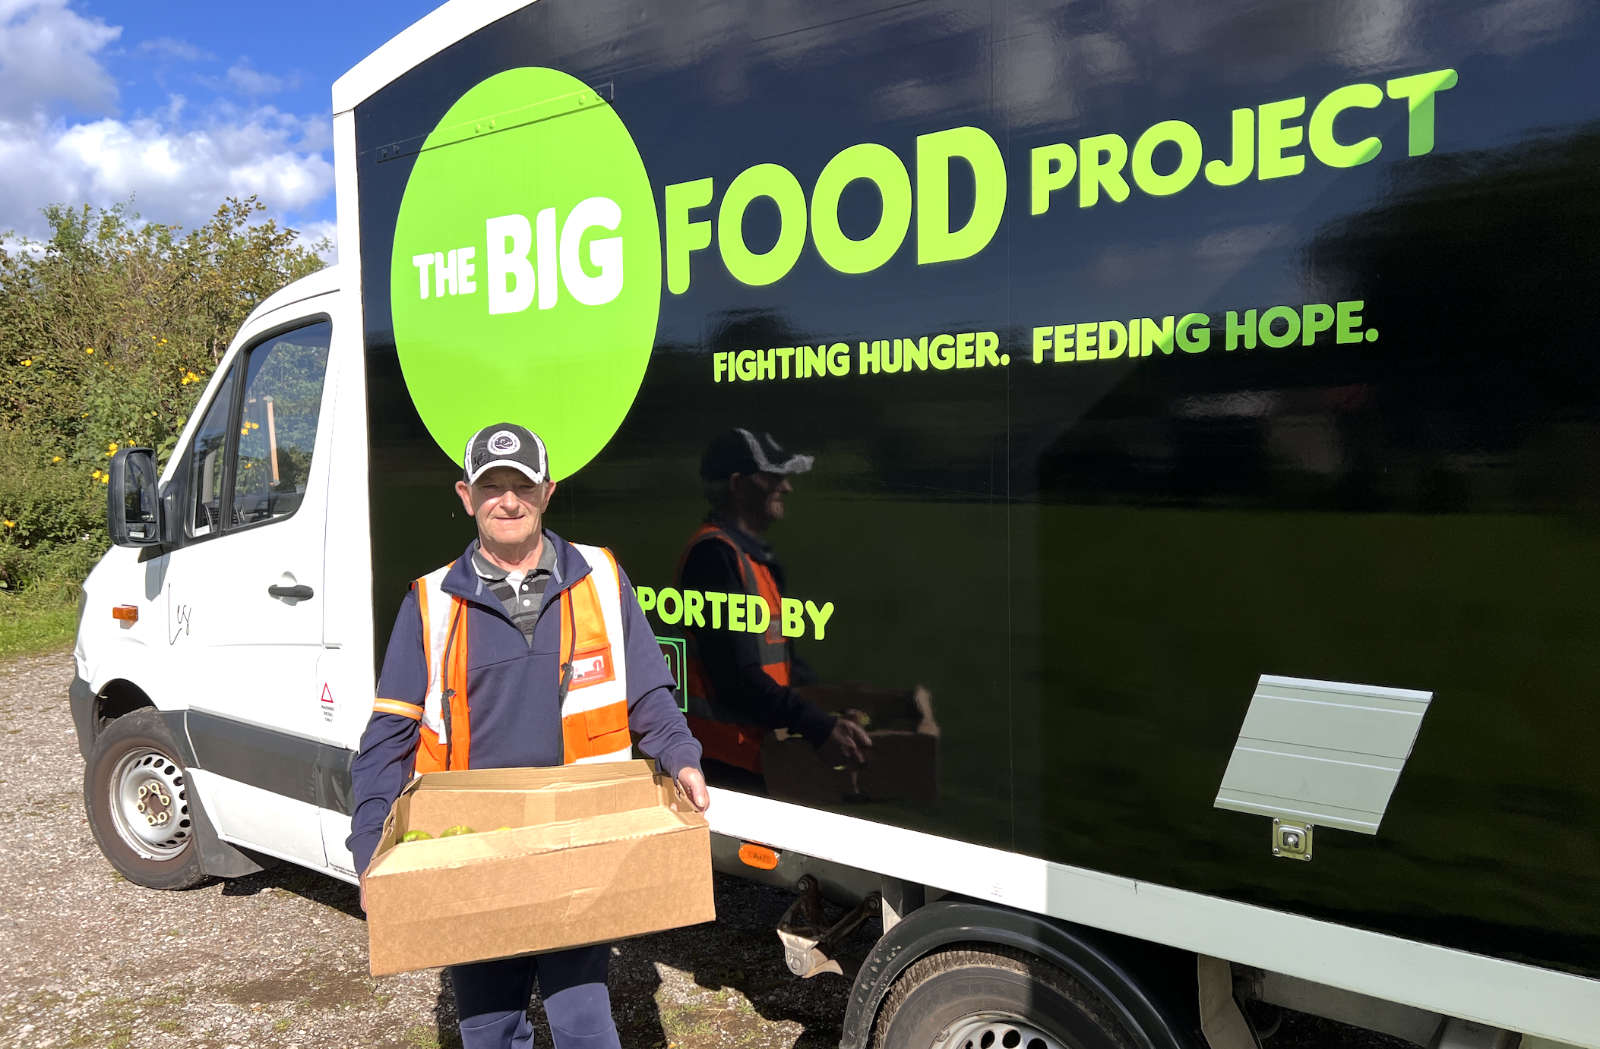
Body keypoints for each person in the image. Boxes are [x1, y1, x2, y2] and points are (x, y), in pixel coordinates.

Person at [346, 422, 708, 1049]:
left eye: (522, 485)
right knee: (489, 1029)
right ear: (465, 496)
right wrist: (368, 852)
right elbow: (389, 737)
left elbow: (647, 690)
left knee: (584, 1021)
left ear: (548, 492)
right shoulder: (429, 602)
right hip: (471, 851)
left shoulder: (601, 576)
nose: (507, 501)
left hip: (575, 837)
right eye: (492, 487)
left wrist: (681, 757)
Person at [676, 427, 871, 790]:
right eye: (773, 477)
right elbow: (736, 676)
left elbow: (782, 660)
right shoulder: (715, 556)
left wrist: (829, 705)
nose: (787, 487)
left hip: (754, 752)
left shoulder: (751, 557)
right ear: (738, 484)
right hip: (724, 764)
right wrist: (817, 725)